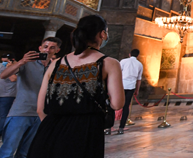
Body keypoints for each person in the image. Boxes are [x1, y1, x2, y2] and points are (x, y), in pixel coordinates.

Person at [26, 15, 125, 158]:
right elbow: (117, 104)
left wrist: (56, 128)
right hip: (85, 132)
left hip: (49, 131)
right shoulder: (109, 63)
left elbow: (40, 108)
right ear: (102, 34)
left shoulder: (56, 63)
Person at [0, 37, 61, 158]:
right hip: (21, 112)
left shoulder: (56, 67)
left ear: (57, 50)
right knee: (8, 151)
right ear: (40, 48)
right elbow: (3, 75)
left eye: (52, 47)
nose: (48, 50)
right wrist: (21, 61)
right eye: (46, 47)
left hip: (41, 114)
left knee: (25, 152)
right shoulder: (28, 63)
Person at [0, 53, 17, 144]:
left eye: (6, 61)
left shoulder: (16, 68)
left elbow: (13, 79)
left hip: (6, 96)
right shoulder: (2, 67)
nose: (4, 62)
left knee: (3, 117)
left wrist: (8, 68)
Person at [117, 49, 143, 134]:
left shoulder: (123, 61)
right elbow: (139, 79)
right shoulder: (139, 64)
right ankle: (121, 128)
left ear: (129, 54)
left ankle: (109, 127)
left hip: (121, 85)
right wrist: (137, 90)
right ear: (138, 56)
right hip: (131, 87)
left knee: (114, 105)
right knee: (126, 107)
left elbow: (117, 73)